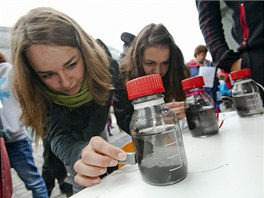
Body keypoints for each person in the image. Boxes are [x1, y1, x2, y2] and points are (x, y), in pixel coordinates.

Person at [10, 7, 127, 193]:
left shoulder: (107, 65)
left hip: (97, 132)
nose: (65, 83)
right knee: (82, 180)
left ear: (85, 52)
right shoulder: (35, 90)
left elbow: (124, 112)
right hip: (70, 146)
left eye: (71, 65)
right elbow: (57, 135)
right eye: (48, 75)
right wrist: (80, 155)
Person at [113, 23, 190, 133]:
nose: (158, 71)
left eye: (165, 63)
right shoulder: (122, 75)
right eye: (150, 63)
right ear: (137, 60)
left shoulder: (177, 70)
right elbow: (124, 120)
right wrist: (152, 120)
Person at [0, 51, 48, 197]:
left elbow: (29, 93)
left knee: (34, 182)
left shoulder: (10, 71)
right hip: (0, 143)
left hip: (16, 139)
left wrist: (26, 118)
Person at [195, 1, 264, 101]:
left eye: (203, 53)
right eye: (200, 54)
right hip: (255, 56)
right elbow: (208, 21)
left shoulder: (209, 64)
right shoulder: (193, 67)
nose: (202, 56)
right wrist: (228, 62)